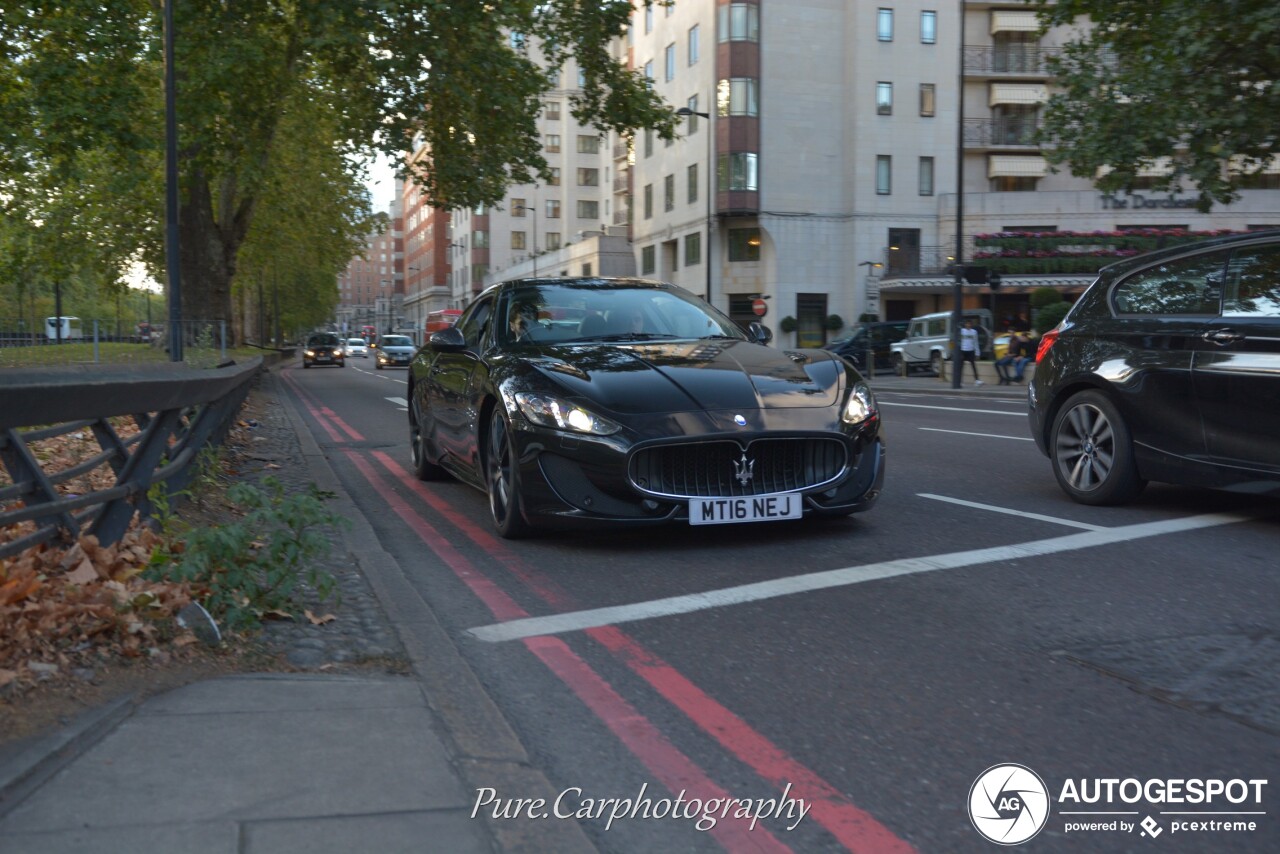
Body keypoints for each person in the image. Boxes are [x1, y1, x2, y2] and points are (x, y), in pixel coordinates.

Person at [959, 318, 983, 385]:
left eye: (969, 324)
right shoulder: (962, 331)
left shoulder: (974, 332)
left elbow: (976, 343)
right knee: (961, 367)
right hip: (963, 350)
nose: (968, 325)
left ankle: (977, 380)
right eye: (967, 324)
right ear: (965, 324)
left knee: (973, 366)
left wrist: (977, 353)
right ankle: (960, 381)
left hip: (971, 351)